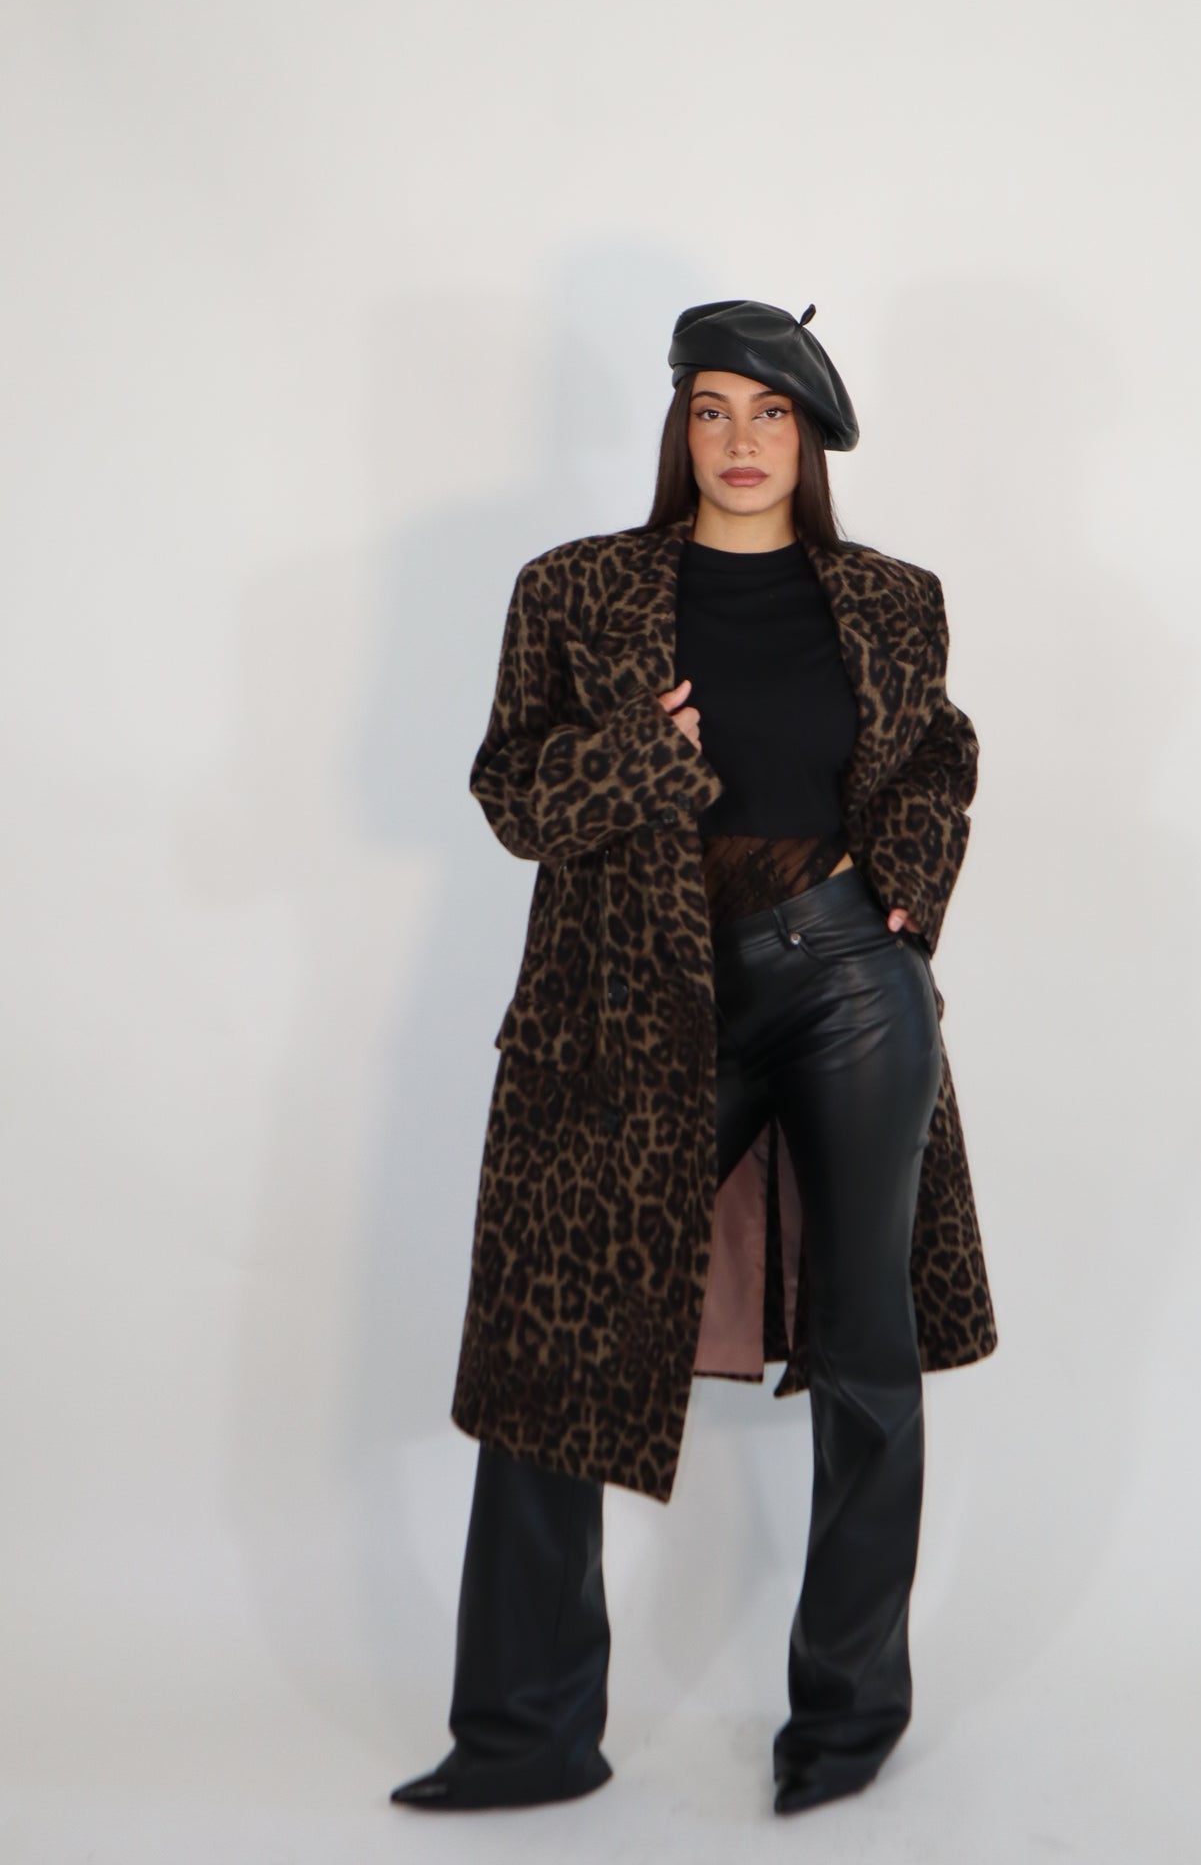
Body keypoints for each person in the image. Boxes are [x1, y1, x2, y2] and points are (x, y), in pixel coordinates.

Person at [391, 299, 996, 1817]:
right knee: (557, 1347)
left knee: (864, 1351)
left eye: (772, 413)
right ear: (679, 424)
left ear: (812, 438)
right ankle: (524, 1735)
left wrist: (912, 878)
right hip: (634, 997)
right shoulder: (576, 589)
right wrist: (642, 760)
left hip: (849, 980)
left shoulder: (893, 598)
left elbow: (937, 751)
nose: (740, 441)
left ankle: (845, 1721)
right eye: (713, 409)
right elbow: (513, 792)